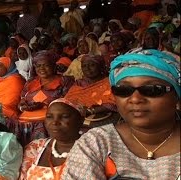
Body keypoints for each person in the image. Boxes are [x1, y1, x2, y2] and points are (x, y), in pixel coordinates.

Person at [61, 49, 180, 179]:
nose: (135, 99)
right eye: (123, 90)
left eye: (152, 89)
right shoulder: (96, 144)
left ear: (177, 96)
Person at [9, 51, 74, 145]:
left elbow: (68, 103)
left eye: (46, 65)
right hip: (26, 120)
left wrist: (44, 106)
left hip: (49, 121)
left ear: (53, 66)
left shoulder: (65, 81)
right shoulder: (31, 82)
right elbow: (22, 100)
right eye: (38, 66)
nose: (42, 69)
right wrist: (22, 106)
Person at [20, 97, 85, 180]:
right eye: (49, 117)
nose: (54, 122)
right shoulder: (36, 147)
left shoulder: (90, 148)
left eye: (64, 116)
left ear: (81, 120)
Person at [65, 55, 117, 126]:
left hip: (103, 119)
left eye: (92, 65)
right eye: (84, 66)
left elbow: (113, 103)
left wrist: (90, 111)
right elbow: (68, 101)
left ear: (100, 66)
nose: (87, 69)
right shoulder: (79, 83)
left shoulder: (109, 82)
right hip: (76, 118)